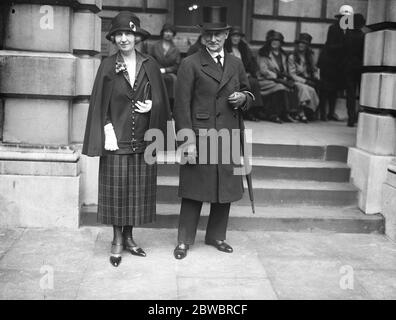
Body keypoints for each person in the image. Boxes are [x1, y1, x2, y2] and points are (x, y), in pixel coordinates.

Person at [82, 11, 171, 267]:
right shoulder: (108, 65)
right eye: (119, 34)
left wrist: (153, 105)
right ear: (114, 38)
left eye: (128, 34)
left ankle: (130, 237)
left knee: (136, 193)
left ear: (136, 37)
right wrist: (107, 128)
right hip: (116, 139)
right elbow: (99, 103)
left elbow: (163, 100)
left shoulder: (150, 64)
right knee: (116, 192)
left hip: (143, 139)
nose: (123, 39)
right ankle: (117, 239)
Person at [172, 6, 254, 260]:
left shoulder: (236, 63)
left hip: (228, 135)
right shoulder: (190, 63)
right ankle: (184, 240)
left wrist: (243, 97)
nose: (213, 39)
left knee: (224, 188)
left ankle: (216, 235)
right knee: (194, 190)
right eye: (208, 34)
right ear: (202, 34)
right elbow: (181, 106)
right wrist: (187, 141)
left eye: (218, 34)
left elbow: (250, 93)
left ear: (227, 34)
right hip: (200, 136)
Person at [317, 4, 354, 122]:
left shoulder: (350, 29)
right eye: (343, 17)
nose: (346, 20)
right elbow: (331, 46)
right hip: (328, 64)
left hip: (339, 66)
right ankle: (323, 114)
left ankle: (331, 113)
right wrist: (344, 46)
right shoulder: (333, 28)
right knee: (325, 90)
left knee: (334, 91)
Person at [257, 30, 298, 124]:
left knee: (292, 86)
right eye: (273, 40)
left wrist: (285, 78)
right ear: (269, 42)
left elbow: (285, 70)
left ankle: (288, 113)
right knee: (280, 87)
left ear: (281, 43)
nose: (275, 42)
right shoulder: (263, 53)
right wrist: (277, 77)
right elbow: (263, 70)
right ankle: (274, 115)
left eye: (277, 41)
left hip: (279, 80)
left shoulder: (283, 55)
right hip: (265, 80)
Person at [225, 26, 263, 122]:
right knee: (250, 83)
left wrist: (250, 73)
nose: (235, 38)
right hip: (230, 76)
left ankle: (253, 110)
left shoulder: (244, 48)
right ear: (229, 37)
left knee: (254, 82)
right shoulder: (225, 48)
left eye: (238, 36)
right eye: (233, 36)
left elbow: (251, 63)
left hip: (243, 75)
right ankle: (248, 112)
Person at [288, 33, 319, 122]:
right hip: (296, 80)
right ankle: (301, 112)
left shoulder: (310, 56)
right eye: (300, 43)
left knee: (311, 89)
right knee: (304, 88)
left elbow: (314, 68)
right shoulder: (292, 57)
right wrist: (305, 81)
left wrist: (316, 76)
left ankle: (308, 112)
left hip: (308, 79)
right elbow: (292, 74)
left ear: (307, 46)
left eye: (304, 43)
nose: (301, 45)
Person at [149, 23, 181, 108]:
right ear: (162, 33)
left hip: (170, 76)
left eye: (170, 32)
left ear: (173, 34)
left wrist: (165, 70)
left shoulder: (176, 49)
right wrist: (157, 69)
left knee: (172, 86)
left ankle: (169, 112)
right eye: (166, 31)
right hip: (155, 74)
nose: (168, 34)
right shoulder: (155, 46)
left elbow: (177, 66)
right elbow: (150, 60)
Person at [344, 13, 366, 127]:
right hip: (360, 67)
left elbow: (343, 51)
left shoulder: (348, 34)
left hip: (348, 67)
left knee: (350, 94)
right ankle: (359, 116)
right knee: (361, 94)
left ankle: (350, 118)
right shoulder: (363, 36)